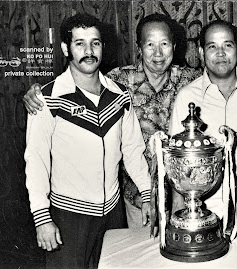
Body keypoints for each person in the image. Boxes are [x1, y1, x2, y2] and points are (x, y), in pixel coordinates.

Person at [22, 13, 202, 229]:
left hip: (184, 194)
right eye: (150, 44)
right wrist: (35, 94)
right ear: (139, 47)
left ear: (174, 46)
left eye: (164, 44)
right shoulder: (120, 80)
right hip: (130, 200)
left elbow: (220, 81)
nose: (158, 53)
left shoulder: (191, 81)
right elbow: (81, 76)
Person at [24, 13, 151, 268]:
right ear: (65, 48)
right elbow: (36, 162)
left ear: (103, 46)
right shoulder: (47, 99)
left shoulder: (119, 95)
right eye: (79, 43)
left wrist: (147, 194)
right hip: (68, 217)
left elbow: (133, 151)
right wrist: (42, 218)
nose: (89, 50)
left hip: (113, 214)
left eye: (95, 43)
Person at [169, 20, 237, 221]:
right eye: (212, 46)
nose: (220, 53)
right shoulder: (187, 97)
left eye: (227, 45)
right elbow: (176, 162)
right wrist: (178, 213)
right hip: (201, 212)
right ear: (201, 52)